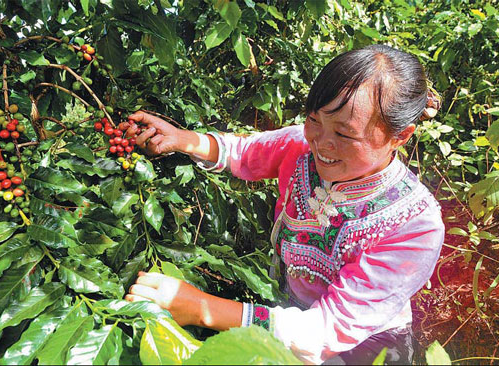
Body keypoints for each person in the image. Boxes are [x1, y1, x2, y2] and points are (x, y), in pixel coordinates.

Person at [124, 44, 444, 365]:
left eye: (345, 135)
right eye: (314, 119)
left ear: (400, 136)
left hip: (364, 344)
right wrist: (180, 138)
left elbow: (324, 330)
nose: (321, 142)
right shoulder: (300, 147)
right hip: (290, 313)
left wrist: (200, 308)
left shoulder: (414, 223)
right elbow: (243, 152)